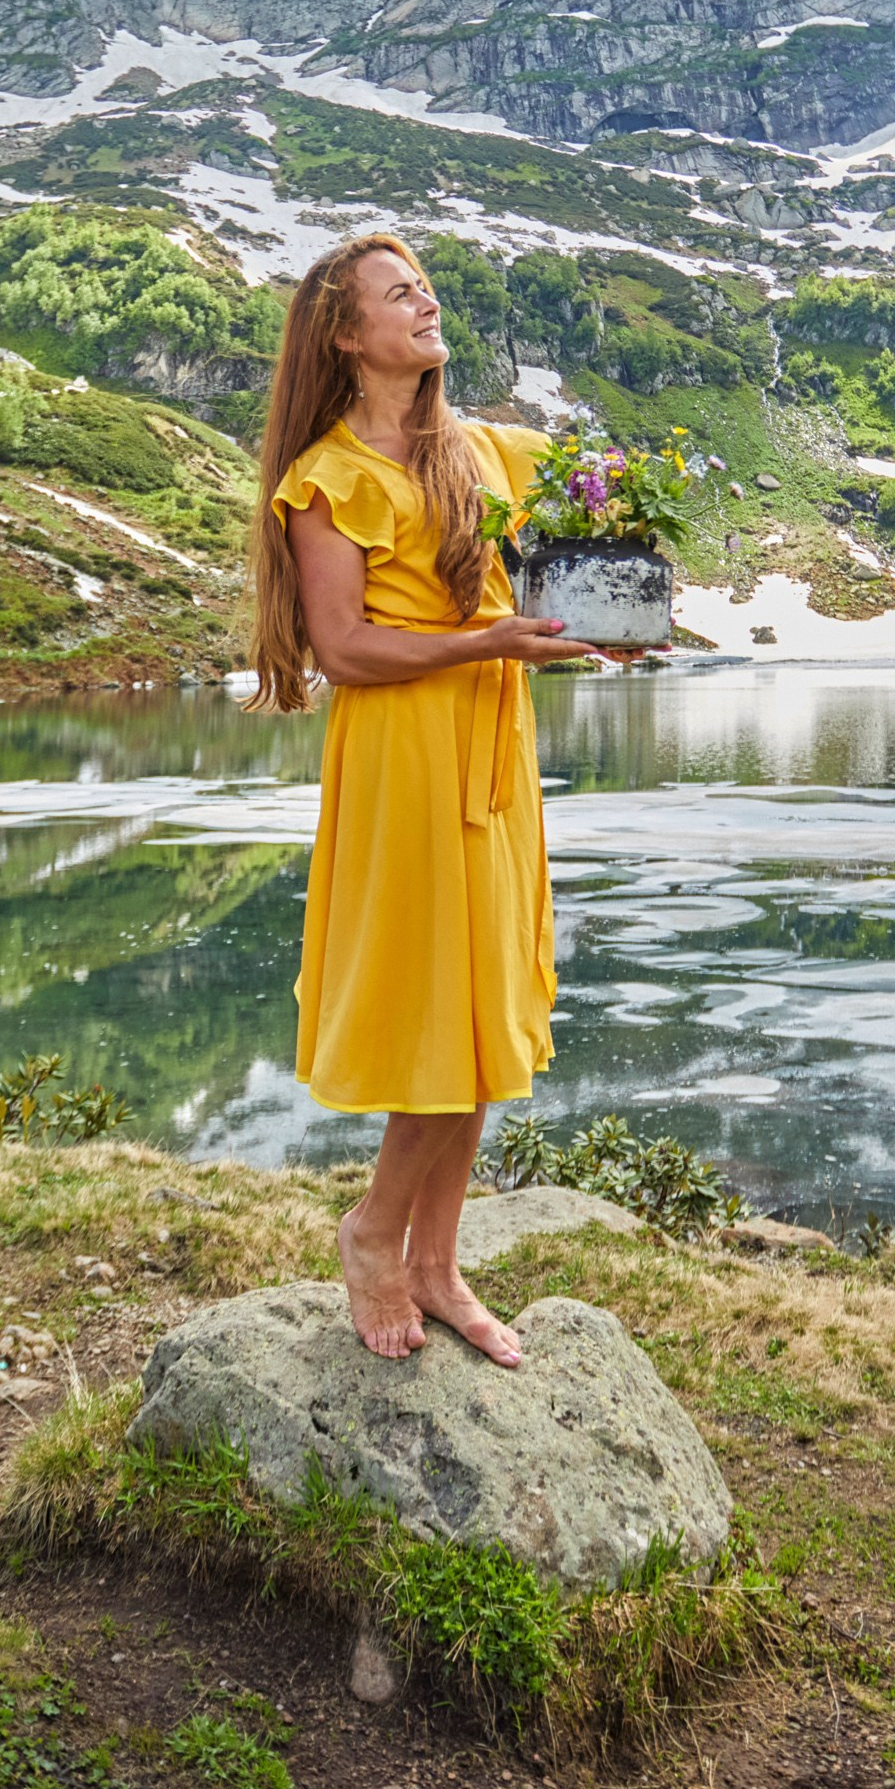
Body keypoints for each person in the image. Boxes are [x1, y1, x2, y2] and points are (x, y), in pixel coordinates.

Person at [248, 232, 603, 1366]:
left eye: (425, 287)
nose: (426, 302)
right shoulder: (330, 477)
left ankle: (438, 1263)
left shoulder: (489, 451)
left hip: (491, 753)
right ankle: (372, 1236)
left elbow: (592, 539)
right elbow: (343, 650)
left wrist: (611, 622)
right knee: (436, 1009)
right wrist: (486, 640)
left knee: (483, 1006)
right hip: (404, 754)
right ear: (345, 334)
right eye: (399, 293)